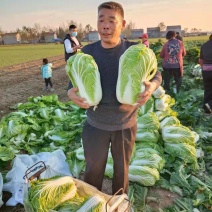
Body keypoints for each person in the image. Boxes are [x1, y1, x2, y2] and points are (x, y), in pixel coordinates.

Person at [67, 1, 162, 195]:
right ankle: (94, 204)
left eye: (112, 20)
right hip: (95, 124)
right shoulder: (86, 52)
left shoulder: (135, 51)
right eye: (101, 20)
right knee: (93, 172)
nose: (105, 25)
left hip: (125, 125)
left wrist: (152, 86)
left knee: (122, 172)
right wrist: (70, 93)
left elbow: (156, 75)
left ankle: (120, 204)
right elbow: (72, 84)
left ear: (122, 24)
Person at [199, 34, 212, 114]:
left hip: (206, 70)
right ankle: (210, 105)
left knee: (208, 89)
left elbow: (201, 60)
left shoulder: (204, 45)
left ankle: (206, 108)